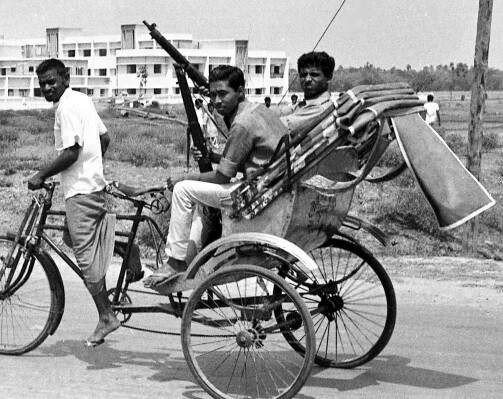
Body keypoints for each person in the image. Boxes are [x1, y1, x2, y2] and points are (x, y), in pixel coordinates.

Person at [143, 65, 288, 288]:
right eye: (212, 95)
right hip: (270, 184)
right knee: (201, 201)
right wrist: (213, 155)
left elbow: (222, 177)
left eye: (223, 94)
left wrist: (184, 177)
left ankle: (175, 261)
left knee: (183, 190)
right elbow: (249, 159)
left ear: (240, 91)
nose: (217, 101)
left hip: (255, 193)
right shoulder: (258, 111)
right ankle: (194, 257)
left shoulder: (241, 123)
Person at [27, 58, 120, 347]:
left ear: (66, 78)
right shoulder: (81, 99)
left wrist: (41, 175)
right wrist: (94, 168)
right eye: (42, 84)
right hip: (91, 186)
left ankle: (106, 315)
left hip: (80, 193)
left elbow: (71, 152)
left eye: (52, 82)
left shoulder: (66, 108)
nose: (47, 88)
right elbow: (104, 138)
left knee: (84, 259)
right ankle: (131, 254)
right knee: (73, 236)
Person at [281, 51, 335, 134]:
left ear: (328, 77)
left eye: (314, 75)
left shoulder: (321, 109)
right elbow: (280, 111)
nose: (307, 79)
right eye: (303, 75)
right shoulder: (306, 104)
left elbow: (282, 125)